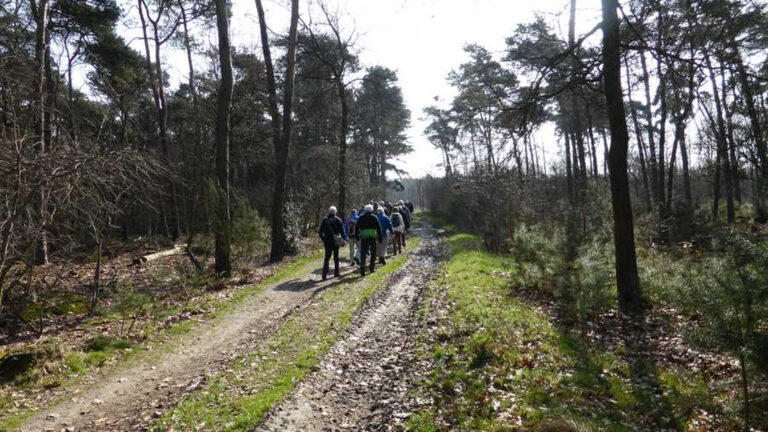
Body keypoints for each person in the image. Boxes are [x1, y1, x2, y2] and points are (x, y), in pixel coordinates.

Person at [318, 206, 346, 280]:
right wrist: (343, 240)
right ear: (335, 212)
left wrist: (324, 240)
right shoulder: (338, 220)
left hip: (327, 241)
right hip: (335, 241)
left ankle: (324, 274)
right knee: (336, 257)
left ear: (329, 212)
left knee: (327, 257)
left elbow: (320, 233)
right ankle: (336, 273)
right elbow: (342, 231)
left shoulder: (325, 220)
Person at [355, 204, 382, 276]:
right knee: (373, 253)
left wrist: (357, 237)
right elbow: (379, 228)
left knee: (363, 253)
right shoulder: (374, 217)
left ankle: (362, 269)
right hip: (372, 236)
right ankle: (371, 268)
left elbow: (356, 227)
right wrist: (380, 238)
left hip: (364, 237)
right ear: (371, 210)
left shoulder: (361, 217)